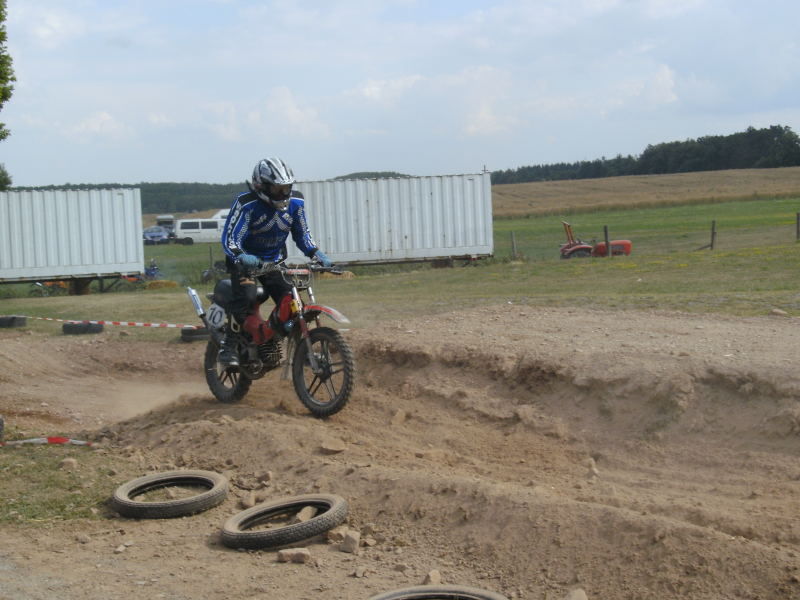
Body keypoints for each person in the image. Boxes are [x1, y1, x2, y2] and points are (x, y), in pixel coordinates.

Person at [218, 157, 332, 369]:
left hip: (274, 262)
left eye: (286, 188)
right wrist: (242, 256)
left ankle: (295, 348)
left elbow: (302, 234)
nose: (283, 193)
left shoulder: (296, 203)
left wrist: (316, 252)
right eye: (277, 189)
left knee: (292, 303)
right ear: (261, 186)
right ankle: (228, 346)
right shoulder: (247, 204)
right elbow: (231, 238)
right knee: (246, 299)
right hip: (243, 262)